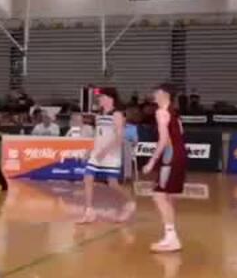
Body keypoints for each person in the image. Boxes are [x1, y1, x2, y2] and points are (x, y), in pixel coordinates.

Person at [142, 82, 187, 253]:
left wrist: (152, 161)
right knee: (170, 196)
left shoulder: (161, 112)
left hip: (170, 155)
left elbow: (163, 140)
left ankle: (172, 237)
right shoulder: (175, 113)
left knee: (159, 195)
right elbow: (180, 134)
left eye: (157, 92)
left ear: (165, 94)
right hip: (180, 153)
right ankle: (170, 235)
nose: (154, 94)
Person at [80, 87, 133, 223]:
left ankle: (130, 202)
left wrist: (106, 150)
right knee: (87, 177)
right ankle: (89, 211)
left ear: (110, 98)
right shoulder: (99, 114)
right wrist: (90, 150)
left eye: (101, 97)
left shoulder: (117, 114)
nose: (99, 99)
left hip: (111, 154)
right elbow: (97, 135)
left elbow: (119, 136)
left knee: (112, 183)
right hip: (97, 152)